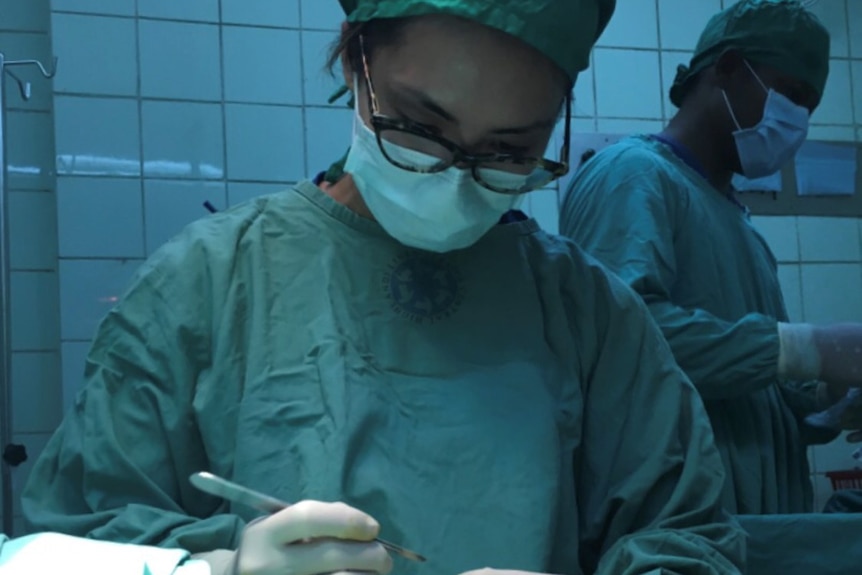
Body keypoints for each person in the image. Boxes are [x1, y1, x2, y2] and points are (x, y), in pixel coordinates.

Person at [21, 1, 746, 574]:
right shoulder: (208, 282)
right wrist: (212, 565)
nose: (454, 177)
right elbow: (74, 537)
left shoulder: (590, 315)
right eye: (421, 127)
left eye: (509, 150)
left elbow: (687, 539)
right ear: (353, 55)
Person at [559, 0, 862, 517]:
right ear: (725, 68)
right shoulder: (633, 175)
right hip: (673, 530)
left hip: (757, 527)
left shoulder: (738, 222)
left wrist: (828, 399)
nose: (797, 123)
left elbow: (752, 396)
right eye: (790, 96)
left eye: (808, 111)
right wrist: (808, 348)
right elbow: (617, 343)